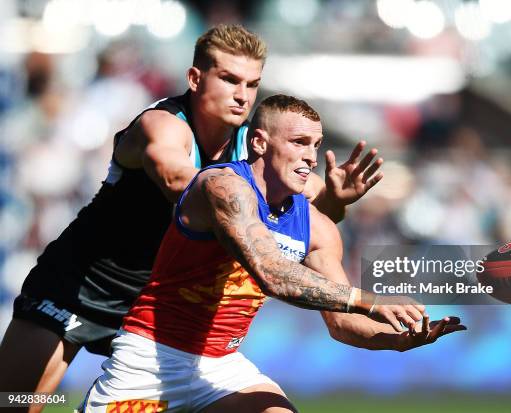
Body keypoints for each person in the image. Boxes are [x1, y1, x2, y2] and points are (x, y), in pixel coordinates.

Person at [0, 25, 384, 406]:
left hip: (153, 305)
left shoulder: (254, 145)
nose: (242, 96)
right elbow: (177, 180)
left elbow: (312, 216)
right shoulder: (163, 125)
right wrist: (238, 198)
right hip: (82, 285)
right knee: (15, 402)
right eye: (230, 79)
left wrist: (335, 199)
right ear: (195, 78)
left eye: (252, 84)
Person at [79, 95, 466, 413]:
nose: (311, 157)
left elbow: (343, 324)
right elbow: (271, 272)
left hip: (221, 367)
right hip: (150, 360)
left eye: (316, 145)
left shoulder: (317, 228)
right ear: (260, 143)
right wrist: (369, 301)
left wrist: (399, 340)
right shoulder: (223, 187)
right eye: (299, 143)